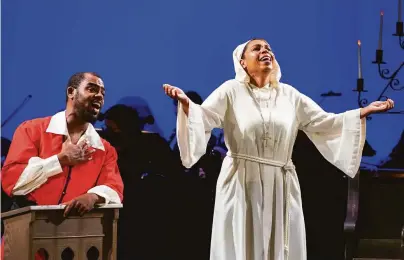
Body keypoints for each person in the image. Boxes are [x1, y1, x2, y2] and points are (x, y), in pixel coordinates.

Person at [163, 39, 395, 260]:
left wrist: (362, 112)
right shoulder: (231, 90)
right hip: (242, 180)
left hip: (281, 181)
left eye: (268, 47)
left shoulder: (289, 95)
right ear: (242, 62)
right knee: (243, 242)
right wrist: (186, 104)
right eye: (256, 48)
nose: (265, 51)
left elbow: (323, 122)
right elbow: (205, 116)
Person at [2, 72, 124, 215]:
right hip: (27, 225)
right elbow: (12, 181)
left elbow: (114, 187)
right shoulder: (31, 130)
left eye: (103, 93)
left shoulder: (105, 149)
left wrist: (92, 197)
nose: (100, 96)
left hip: (76, 230)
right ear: (71, 92)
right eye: (92, 89)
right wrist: (60, 160)